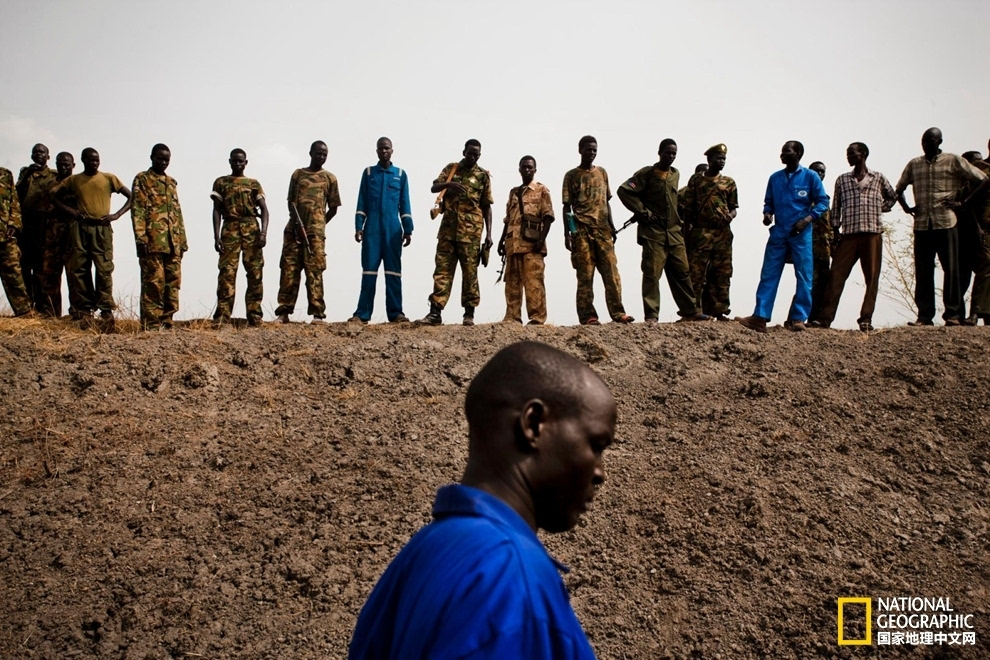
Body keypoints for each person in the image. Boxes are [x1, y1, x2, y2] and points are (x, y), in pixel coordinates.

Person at [349, 340, 613, 659]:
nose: (600, 472)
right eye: (596, 445)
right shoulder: (510, 577)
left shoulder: (422, 553)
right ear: (533, 425)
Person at [894, 127, 988, 326]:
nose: (926, 145)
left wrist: (963, 203)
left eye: (930, 141)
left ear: (939, 142)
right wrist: (907, 208)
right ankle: (924, 316)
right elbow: (899, 188)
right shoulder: (914, 164)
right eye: (924, 142)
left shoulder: (953, 160)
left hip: (946, 223)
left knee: (951, 271)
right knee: (923, 271)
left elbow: (982, 179)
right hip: (922, 225)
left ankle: (953, 315)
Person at [737, 141, 829, 333]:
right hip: (779, 232)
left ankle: (798, 318)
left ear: (798, 154)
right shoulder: (775, 178)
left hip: (801, 233)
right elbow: (768, 202)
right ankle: (760, 317)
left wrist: (806, 220)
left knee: (804, 275)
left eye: (786, 152)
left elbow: (822, 202)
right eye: (782, 152)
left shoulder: (811, 177)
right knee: (769, 273)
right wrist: (767, 214)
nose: (782, 155)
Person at [616, 139, 710, 323]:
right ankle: (652, 315)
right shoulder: (647, 173)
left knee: (682, 272)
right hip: (653, 234)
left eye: (674, 154)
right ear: (659, 153)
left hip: (674, 233)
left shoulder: (676, 174)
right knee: (652, 274)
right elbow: (624, 191)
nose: (671, 157)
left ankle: (690, 311)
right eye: (667, 153)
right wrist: (643, 212)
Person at [813, 143, 896, 332]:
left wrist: (882, 207)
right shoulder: (842, 180)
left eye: (852, 154)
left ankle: (866, 318)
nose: (849, 157)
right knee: (836, 276)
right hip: (848, 235)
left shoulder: (878, 178)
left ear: (864, 154)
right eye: (847, 154)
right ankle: (824, 318)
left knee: (872, 278)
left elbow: (892, 196)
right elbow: (836, 208)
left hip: (872, 233)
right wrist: (835, 232)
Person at [416, 139, 493, 326]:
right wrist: (448, 185)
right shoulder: (452, 169)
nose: (473, 157)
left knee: (470, 274)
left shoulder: (483, 176)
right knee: (442, 271)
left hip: (471, 233)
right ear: (464, 151)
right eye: (470, 153)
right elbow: (434, 187)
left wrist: (489, 234)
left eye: (477, 154)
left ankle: (469, 313)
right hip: (448, 231)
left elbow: (487, 207)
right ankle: (435, 313)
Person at [52, 148, 131, 322]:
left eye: (97, 160)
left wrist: (116, 215)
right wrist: (71, 211)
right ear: (83, 161)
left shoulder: (108, 178)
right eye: (91, 160)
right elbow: (53, 196)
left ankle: (106, 309)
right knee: (80, 268)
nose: (94, 163)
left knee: (104, 269)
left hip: (102, 229)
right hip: (80, 228)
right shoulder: (74, 180)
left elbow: (130, 196)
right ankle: (85, 308)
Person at [562, 136, 633, 325]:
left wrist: (612, 226)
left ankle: (618, 313)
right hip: (581, 230)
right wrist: (567, 234)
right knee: (585, 274)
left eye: (594, 149)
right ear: (580, 150)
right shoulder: (571, 175)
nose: (591, 153)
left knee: (611, 272)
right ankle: (588, 316)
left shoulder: (602, 173)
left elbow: (606, 202)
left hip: (603, 230)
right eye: (588, 149)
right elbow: (566, 207)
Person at [275, 141, 340, 324]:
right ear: (310, 153)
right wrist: (297, 223)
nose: (321, 156)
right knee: (289, 270)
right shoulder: (298, 175)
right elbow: (290, 203)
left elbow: (334, 208)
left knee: (315, 272)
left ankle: (318, 313)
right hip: (293, 231)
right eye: (318, 153)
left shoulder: (330, 178)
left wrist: (319, 224)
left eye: (324, 154)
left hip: (315, 235)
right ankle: (284, 311)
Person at [349, 137, 413, 324]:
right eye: (380, 149)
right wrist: (358, 226)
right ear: (376, 151)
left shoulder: (400, 175)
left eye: (387, 148)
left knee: (393, 272)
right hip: (372, 229)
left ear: (392, 151)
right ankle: (362, 314)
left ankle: (396, 313)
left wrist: (408, 229)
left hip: (393, 228)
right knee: (369, 271)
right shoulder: (368, 173)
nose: (384, 151)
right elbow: (362, 201)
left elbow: (405, 204)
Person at [130, 144, 187, 330]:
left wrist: (183, 242)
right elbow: (137, 209)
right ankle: (151, 325)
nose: (163, 162)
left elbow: (177, 213)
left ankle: (167, 321)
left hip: (173, 242)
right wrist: (141, 237)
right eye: (160, 158)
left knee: (173, 283)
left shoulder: (171, 183)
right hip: (152, 241)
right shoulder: (143, 179)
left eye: (167, 160)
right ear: (152, 157)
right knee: (153, 283)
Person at [211, 148, 269, 326]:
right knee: (227, 273)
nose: (238, 164)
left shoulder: (253, 184)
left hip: (251, 228)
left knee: (255, 273)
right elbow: (216, 210)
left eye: (241, 161)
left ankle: (254, 314)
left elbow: (265, 210)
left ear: (246, 163)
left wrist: (263, 232)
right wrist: (216, 236)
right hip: (230, 229)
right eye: (235, 161)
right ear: (229, 162)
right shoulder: (221, 182)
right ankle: (222, 315)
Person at [680, 143, 738, 320]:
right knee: (696, 273)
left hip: (722, 233)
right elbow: (688, 209)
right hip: (701, 232)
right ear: (709, 159)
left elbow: (734, 207)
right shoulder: (696, 180)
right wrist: (687, 234)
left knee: (722, 272)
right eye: (718, 158)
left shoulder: (729, 182)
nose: (721, 161)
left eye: (723, 159)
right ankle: (692, 310)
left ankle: (719, 310)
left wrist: (730, 216)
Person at [497, 155, 555, 324]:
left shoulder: (541, 190)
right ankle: (512, 317)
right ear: (519, 169)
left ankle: (537, 318)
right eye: (524, 167)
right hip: (513, 244)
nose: (527, 170)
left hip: (532, 245)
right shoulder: (514, 192)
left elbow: (548, 216)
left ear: (535, 170)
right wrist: (502, 241)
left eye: (530, 167)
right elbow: (508, 219)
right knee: (512, 283)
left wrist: (541, 240)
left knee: (534, 283)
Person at [15, 143, 57, 311]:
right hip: (26, 223)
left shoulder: (53, 175)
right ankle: (27, 305)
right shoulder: (25, 172)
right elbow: (16, 192)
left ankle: (42, 307)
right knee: (24, 265)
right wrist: (27, 176)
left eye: (42, 152)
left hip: (44, 224)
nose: (38, 154)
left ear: (48, 156)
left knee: (41, 268)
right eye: (35, 152)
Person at [38, 152, 76, 317]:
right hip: (52, 235)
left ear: (73, 165)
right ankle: (51, 313)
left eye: (67, 164)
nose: (63, 167)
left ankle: (77, 312)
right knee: (50, 275)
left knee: (74, 275)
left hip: (72, 237)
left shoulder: (78, 184)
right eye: (60, 164)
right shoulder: (50, 185)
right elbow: (44, 211)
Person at [0, 167, 32, 316]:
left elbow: (14, 202)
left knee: (14, 274)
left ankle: (24, 312)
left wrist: (14, 224)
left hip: (5, 236)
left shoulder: (5, 175)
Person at [963, 143, 990, 325]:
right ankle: (975, 312)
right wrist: (977, 227)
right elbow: (969, 201)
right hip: (981, 226)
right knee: (986, 265)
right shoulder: (979, 170)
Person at [807, 161, 834, 323]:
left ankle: (815, 318)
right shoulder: (803, 197)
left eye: (822, 172)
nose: (820, 174)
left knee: (823, 284)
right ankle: (795, 318)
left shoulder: (825, 199)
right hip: (807, 248)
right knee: (807, 283)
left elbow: (830, 225)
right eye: (816, 171)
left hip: (824, 249)